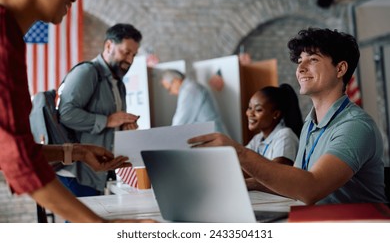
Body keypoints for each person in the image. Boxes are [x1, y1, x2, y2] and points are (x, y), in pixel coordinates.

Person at [0, 0, 154, 223]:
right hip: (75, 177)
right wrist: (103, 229)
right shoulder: (5, 39)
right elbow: (17, 156)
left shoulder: (12, 36)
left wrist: (78, 151)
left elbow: (13, 148)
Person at [188, 28, 387, 204]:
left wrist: (237, 152)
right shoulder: (311, 121)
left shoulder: (355, 126)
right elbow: (297, 180)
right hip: (320, 223)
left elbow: (311, 188)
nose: (300, 69)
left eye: (313, 60)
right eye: (300, 61)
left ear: (340, 69)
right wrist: (247, 184)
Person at [57, 23, 142, 197]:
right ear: (109, 46)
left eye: (133, 55)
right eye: (126, 52)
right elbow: (65, 114)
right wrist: (108, 120)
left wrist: (124, 126)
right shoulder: (86, 72)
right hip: (77, 172)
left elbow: (111, 123)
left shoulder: (119, 84)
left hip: (99, 172)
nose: (130, 60)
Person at [161, 69, 229, 135]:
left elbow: (179, 123)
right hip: (212, 135)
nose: (171, 93)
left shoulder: (189, 90)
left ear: (176, 81)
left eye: (169, 89)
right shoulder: (190, 88)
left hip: (215, 137)